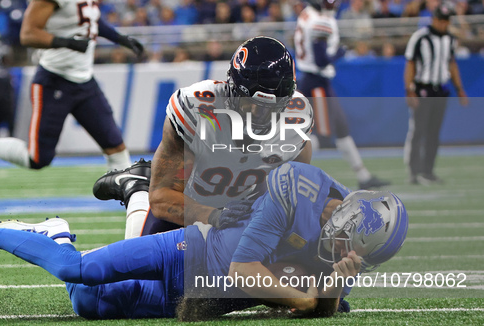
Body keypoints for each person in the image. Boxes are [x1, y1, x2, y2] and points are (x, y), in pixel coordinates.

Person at [0, 162, 409, 320]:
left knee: (87, 305)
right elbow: (244, 271)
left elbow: (324, 310)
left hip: (193, 295)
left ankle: (54, 230)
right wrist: (306, 296)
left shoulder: (337, 246)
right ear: (350, 212)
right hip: (191, 248)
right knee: (76, 271)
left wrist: (335, 285)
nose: (344, 251)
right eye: (351, 243)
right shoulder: (295, 186)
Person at [93, 36, 314, 239]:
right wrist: (214, 217)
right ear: (232, 89)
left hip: (238, 211)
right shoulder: (197, 109)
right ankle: (137, 190)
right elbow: (162, 198)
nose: (259, 115)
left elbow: (287, 197)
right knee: (138, 277)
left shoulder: (297, 122)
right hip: (188, 202)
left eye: (271, 107)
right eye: (251, 103)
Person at [0, 0, 144, 173]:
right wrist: (67, 43)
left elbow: (87, 18)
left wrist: (119, 38)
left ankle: (134, 208)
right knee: (37, 158)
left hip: (84, 81)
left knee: (116, 147)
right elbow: (28, 34)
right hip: (54, 81)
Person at [294, 0, 390, 190]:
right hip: (316, 83)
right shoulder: (319, 20)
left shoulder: (307, 14)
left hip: (313, 80)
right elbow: (322, 60)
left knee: (340, 127)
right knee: (316, 136)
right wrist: (340, 53)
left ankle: (363, 175)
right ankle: (293, 180)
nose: (334, 4)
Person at [403, 2, 469, 185]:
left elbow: (452, 64)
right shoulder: (420, 37)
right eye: (441, 20)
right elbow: (410, 64)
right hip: (423, 88)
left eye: (446, 20)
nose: (443, 24)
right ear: (434, 19)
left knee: (434, 133)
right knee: (419, 131)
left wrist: (460, 89)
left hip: (441, 89)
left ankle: (428, 171)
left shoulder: (449, 39)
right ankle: (414, 172)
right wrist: (409, 89)